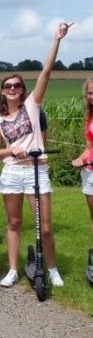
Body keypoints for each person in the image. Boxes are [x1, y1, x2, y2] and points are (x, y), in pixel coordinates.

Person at [0, 23, 71, 288]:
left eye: (17, 85)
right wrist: (10, 150)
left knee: (44, 226)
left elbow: (46, 71)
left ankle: (53, 268)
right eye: (8, 86)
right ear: (3, 91)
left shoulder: (32, 105)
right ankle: (13, 270)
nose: (12, 88)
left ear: (23, 89)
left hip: (37, 170)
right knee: (14, 223)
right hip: (12, 172)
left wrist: (56, 40)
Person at [72, 77, 93, 240]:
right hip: (90, 171)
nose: (92, 96)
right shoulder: (90, 117)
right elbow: (89, 148)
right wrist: (80, 159)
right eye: (90, 93)